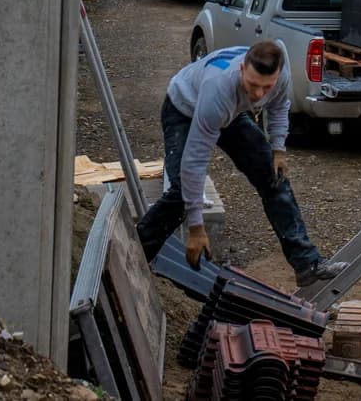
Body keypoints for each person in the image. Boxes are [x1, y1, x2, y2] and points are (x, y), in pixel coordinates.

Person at [135, 40, 346, 289]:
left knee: (273, 176)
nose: (258, 94)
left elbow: (279, 106)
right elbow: (195, 161)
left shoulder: (280, 76)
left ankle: (306, 263)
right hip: (185, 107)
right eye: (253, 85)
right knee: (182, 191)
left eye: (266, 87)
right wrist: (196, 227)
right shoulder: (218, 89)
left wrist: (278, 149)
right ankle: (135, 255)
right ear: (242, 68)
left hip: (232, 112)